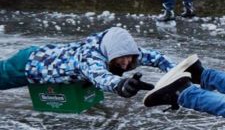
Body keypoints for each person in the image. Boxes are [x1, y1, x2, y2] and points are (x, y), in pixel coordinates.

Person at [0, 27, 174, 98]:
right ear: (111, 53)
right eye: (123, 58)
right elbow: (100, 77)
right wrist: (121, 85)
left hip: (45, 53)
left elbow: (154, 57)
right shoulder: (89, 58)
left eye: (130, 57)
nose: (127, 62)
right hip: (29, 65)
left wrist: (173, 70)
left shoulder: (119, 52)